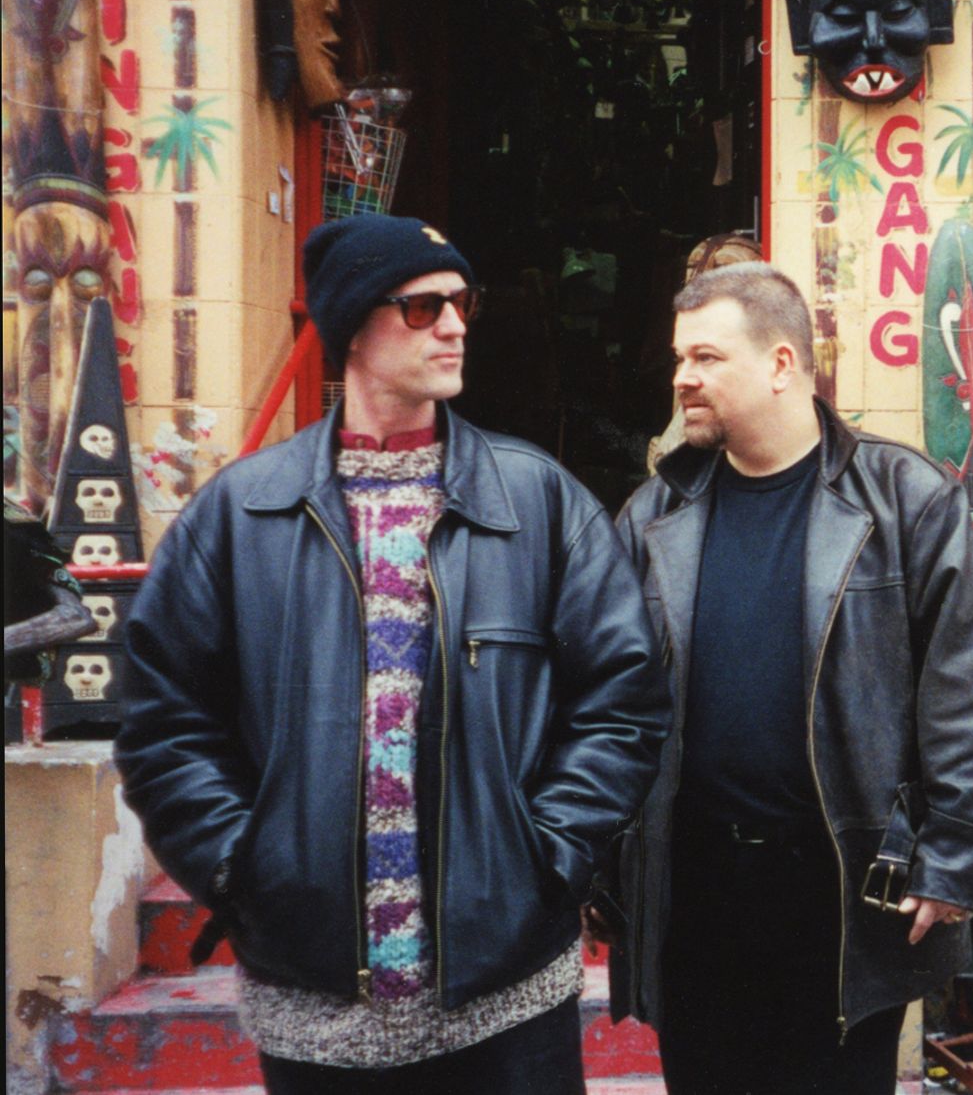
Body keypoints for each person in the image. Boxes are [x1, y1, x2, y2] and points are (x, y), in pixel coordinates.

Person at [115, 213, 666, 1094]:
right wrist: (241, 864)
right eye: (422, 307)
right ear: (351, 328)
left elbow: (622, 701)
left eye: (461, 303)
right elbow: (164, 722)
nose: (454, 325)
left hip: (508, 992)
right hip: (314, 1002)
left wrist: (547, 853)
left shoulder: (540, 502)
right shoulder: (238, 515)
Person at [608, 263, 973, 1095]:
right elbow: (611, 701)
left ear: (782, 363)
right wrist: (605, 866)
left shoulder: (907, 502)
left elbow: (965, 699)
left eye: (708, 358)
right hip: (697, 894)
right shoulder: (653, 514)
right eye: (681, 359)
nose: (683, 377)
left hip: (844, 892)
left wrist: (952, 858)